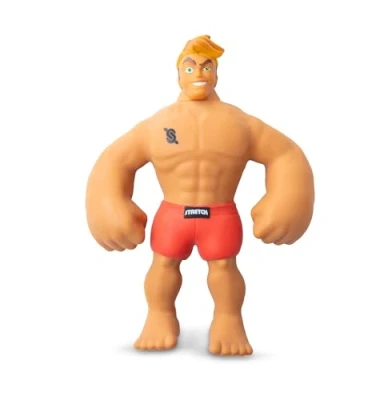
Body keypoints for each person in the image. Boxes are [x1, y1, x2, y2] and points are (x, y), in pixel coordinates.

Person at [86, 35, 315, 356]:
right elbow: (116, 159)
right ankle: (159, 316)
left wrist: (288, 197)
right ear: (178, 75)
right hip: (173, 216)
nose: (199, 73)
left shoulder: (240, 123)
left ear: (217, 75)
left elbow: (284, 153)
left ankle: (228, 319)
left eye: (207, 67)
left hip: (220, 215)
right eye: (190, 67)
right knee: (163, 264)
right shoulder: (157, 124)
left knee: (224, 268)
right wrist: (108, 203)